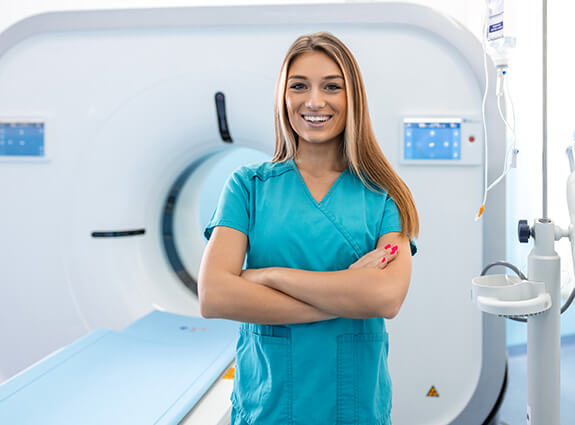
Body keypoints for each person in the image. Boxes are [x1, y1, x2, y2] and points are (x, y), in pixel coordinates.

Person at [198, 32, 419, 425]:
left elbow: (385, 297)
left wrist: (268, 276)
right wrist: (346, 293)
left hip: (353, 406)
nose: (314, 101)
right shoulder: (247, 187)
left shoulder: (384, 195)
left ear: (353, 98)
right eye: (299, 86)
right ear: (283, 96)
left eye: (331, 86)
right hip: (269, 404)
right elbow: (214, 295)